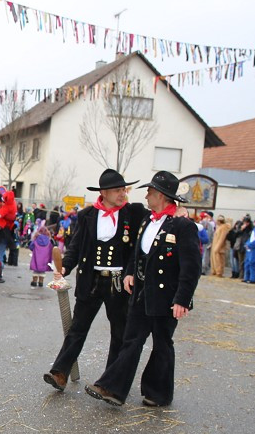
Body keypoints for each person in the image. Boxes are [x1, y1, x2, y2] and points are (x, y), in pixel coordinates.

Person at [84, 171, 201, 407]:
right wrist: (129, 273)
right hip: (141, 294)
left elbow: (191, 267)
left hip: (166, 297)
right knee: (132, 340)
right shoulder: (148, 220)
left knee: (162, 344)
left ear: (160, 195)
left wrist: (182, 299)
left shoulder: (182, 226)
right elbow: (138, 253)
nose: (145, 195)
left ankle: (158, 394)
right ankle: (113, 389)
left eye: (149, 192)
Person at [43, 170, 147, 392]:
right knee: (77, 328)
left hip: (119, 283)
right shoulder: (88, 215)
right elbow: (76, 246)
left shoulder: (135, 213)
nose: (122, 193)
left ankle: (109, 383)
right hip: (91, 281)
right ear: (104, 193)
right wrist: (64, 268)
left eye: (124, 189)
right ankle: (60, 372)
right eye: (118, 190)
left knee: (119, 332)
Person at [28, 221, 55, 287]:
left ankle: (34, 281)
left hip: (36, 257)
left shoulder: (36, 239)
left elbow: (31, 246)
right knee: (42, 271)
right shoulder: (49, 241)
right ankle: (41, 282)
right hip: (45, 258)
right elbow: (52, 248)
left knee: (36, 270)